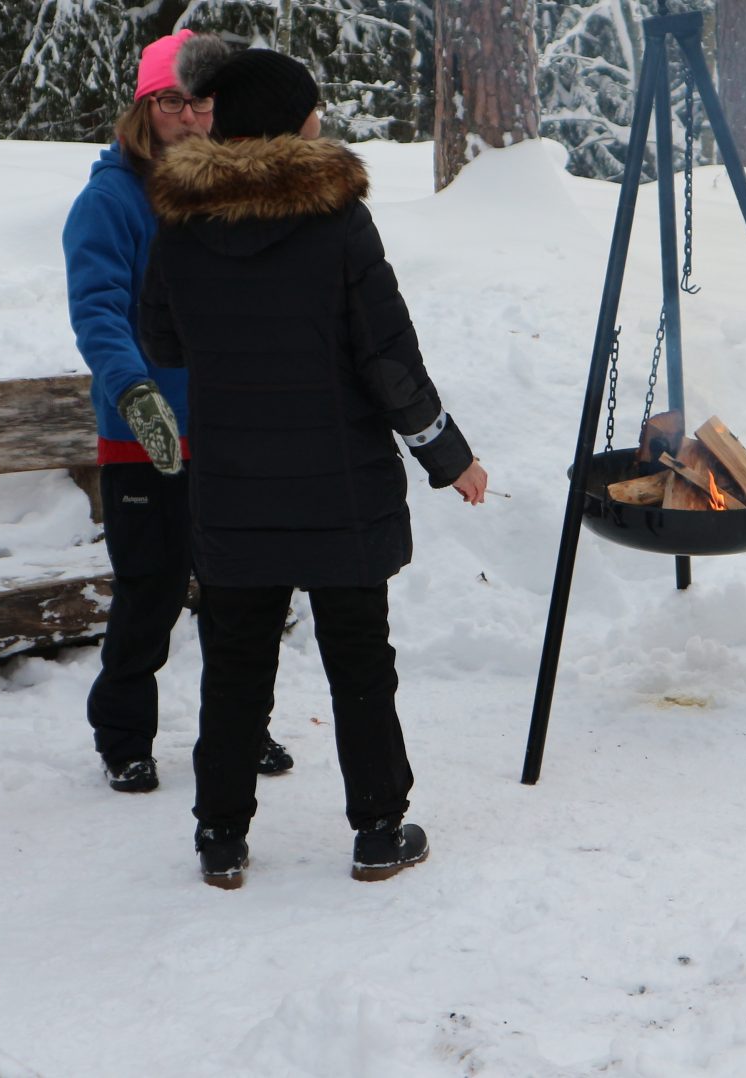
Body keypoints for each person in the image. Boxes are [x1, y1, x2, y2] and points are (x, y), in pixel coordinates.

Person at [140, 49, 489, 887]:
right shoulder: (336, 220)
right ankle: (378, 832)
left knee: (234, 663)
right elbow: (387, 355)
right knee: (360, 660)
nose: (322, 120)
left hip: (232, 487)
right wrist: (449, 455)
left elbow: (161, 341)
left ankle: (220, 839)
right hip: (341, 488)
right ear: (290, 123)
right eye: (314, 109)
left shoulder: (182, 225)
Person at [62, 29, 294, 794]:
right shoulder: (110, 200)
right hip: (143, 434)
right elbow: (98, 312)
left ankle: (240, 725)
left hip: (227, 429)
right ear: (143, 108)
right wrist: (134, 391)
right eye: (172, 102)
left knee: (237, 592)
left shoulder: (230, 189)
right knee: (151, 592)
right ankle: (124, 735)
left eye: (202, 102)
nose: (190, 118)